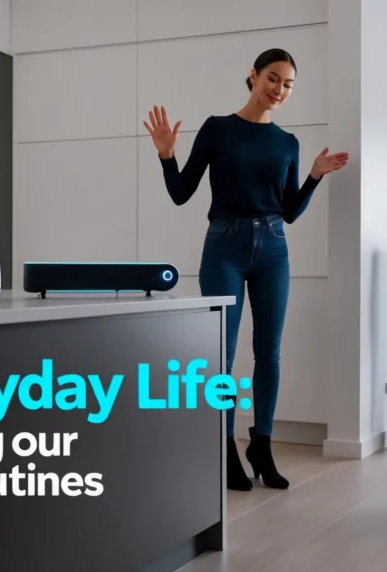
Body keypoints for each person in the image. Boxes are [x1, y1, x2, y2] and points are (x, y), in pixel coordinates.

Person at [143, 48, 349, 491]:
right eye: (273, 78)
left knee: (269, 353)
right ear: (253, 76)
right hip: (224, 247)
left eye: (289, 84)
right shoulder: (217, 130)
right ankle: (224, 447)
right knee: (223, 354)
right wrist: (166, 156)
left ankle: (263, 444)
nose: (280, 90)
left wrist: (312, 175)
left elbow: (290, 211)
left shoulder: (288, 143)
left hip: (274, 247)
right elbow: (181, 193)